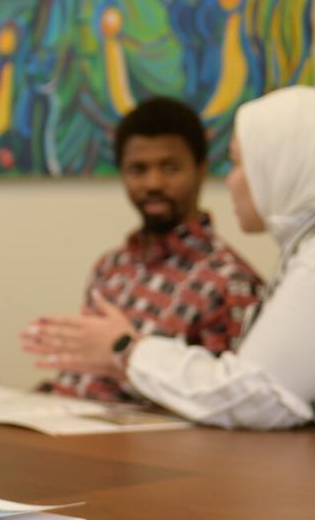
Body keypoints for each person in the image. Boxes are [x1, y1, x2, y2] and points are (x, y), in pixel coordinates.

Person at [23, 86, 315, 436]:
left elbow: (255, 397)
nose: (231, 181)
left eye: (239, 163)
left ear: (283, 167)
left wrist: (126, 350)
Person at [35, 96, 263, 402]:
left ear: (201, 169)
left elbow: (228, 403)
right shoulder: (111, 267)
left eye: (170, 168)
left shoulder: (230, 282)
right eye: (137, 169)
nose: (153, 183)